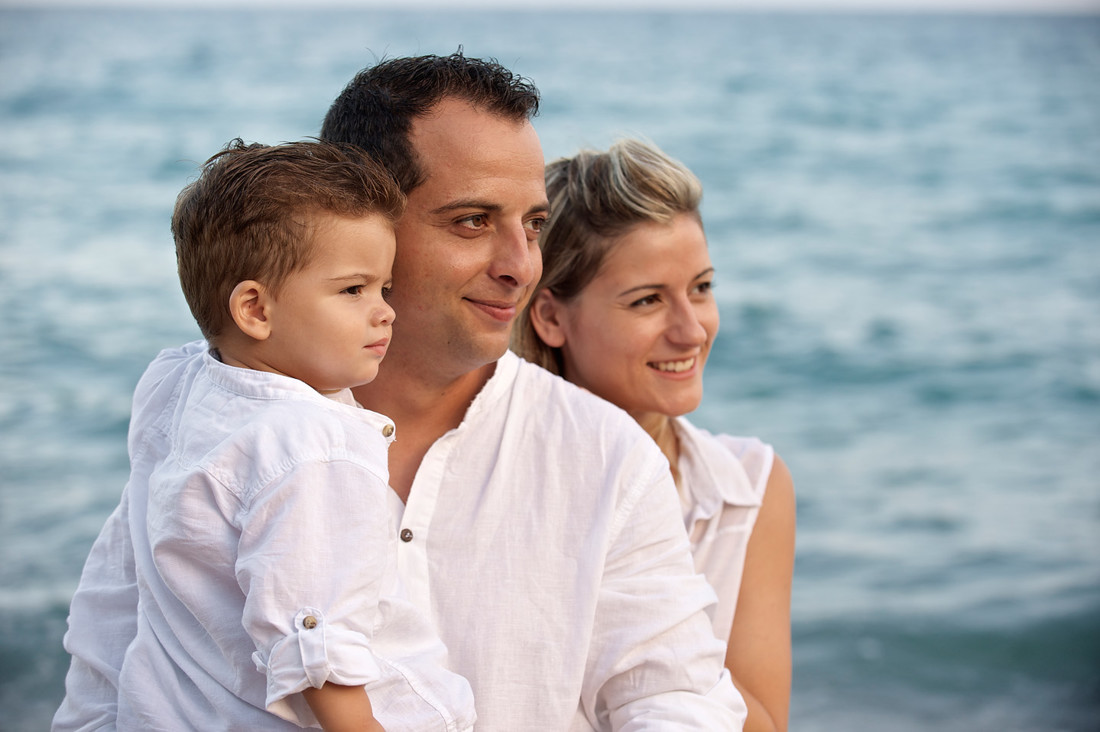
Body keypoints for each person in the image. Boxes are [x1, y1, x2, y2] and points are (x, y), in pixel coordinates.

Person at [54, 53, 748, 730]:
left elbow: (678, 697)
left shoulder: (606, 457)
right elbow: (107, 670)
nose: (521, 264)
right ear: (367, 219)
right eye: (473, 221)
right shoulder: (211, 426)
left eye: (534, 225)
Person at [53, 139, 476, 731]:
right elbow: (319, 649)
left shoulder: (176, 384)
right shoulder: (315, 447)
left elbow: (126, 575)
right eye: (352, 290)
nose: (386, 311)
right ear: (254, 309)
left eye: (384, 287)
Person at [513, 138, 796, 732]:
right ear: (551, 317)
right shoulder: (503, 483)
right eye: (647, 301)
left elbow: (765, 724)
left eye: (702, 288)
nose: (691, 330)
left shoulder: (749, 486)